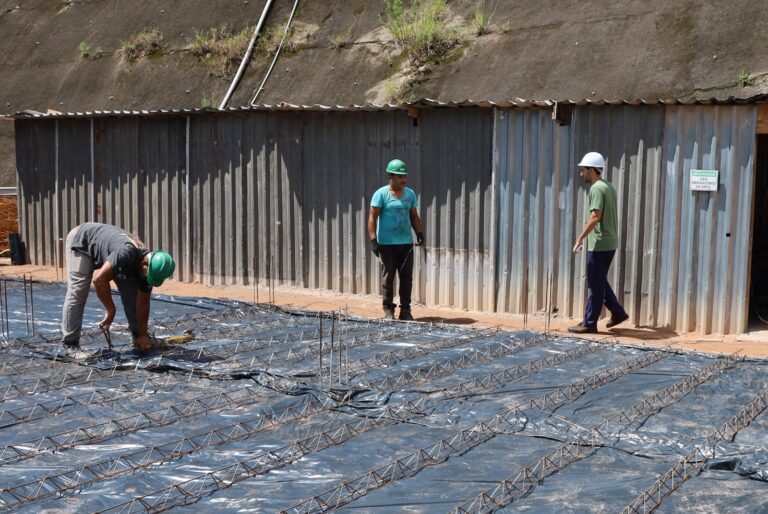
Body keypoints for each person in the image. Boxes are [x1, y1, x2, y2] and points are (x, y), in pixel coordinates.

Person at [60, 222, 176, 353]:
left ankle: (137, 337)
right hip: (83, 240)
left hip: (112, 252)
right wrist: (111, 310)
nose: (147, 280)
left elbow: (143, 302)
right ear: (144, 264)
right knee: (78, 289)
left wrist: (143, 334)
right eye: (147, 276)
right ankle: (69, 345)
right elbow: (99, 280)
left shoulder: (148, 268)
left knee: (132, 293)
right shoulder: (125, 253)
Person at [568, 152, 629, 334]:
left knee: (595, 284)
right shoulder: (608, 186)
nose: (581, 174)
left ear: (592, 170)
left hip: (600, 243)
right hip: (609, 242)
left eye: (583, 170)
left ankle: (589, 323)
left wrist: (580, 238)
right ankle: (617, 313)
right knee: (599, 280)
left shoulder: (596, 189)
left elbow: (595, 217)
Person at [368, 158, 424, 320]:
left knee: (406, 278)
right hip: (386, 245)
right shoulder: (381, 194)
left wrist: (419, 233)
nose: (403, 179)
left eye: (405, 176)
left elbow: (414, 216)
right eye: (400, 176)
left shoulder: (410, 194)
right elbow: (372, 218)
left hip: (406, 244)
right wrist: (373, 241)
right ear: (391, 176)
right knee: (388, 278)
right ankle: (388, 310)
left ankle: (405, 311)